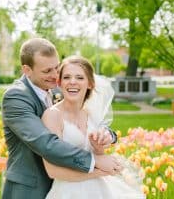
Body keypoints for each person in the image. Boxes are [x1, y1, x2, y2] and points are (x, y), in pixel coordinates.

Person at [1, 38, 121, 199]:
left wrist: (108, 135)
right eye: (47, 71)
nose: (55, 75)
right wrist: (95, 161)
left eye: (56, 68)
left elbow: (91, 118)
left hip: (69, 185)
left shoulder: (58, 91)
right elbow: (46, 143)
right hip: (31, 188)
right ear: (27, 70)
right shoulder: (16, 97)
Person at [42, 55, 146, 199]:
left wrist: (98, 147)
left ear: (90, 83)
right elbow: (52, 171)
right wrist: (101, 172)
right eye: (66, 77)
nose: (72, 82)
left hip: (100, 190)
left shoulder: (91, 115)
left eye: (79, 77)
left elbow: (99, 156)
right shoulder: (52, 115)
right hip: (68, 192)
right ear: (59, 82)